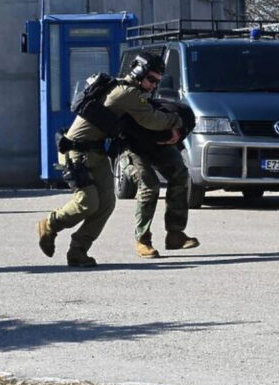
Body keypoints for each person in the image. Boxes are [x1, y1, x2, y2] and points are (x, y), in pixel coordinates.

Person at [36, 52, 184, 267]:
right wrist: (179, 120)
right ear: (139, 72)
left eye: (157, 82)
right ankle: (50, 224)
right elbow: (153, 121)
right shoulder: (127, 93)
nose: (153, 86)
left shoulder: (129, 91)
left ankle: (78, 250)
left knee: (106, 204)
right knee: (88, 202)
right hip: (77, 153)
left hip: (96, 152)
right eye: (151, 79)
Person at [118, 98, 199, 259]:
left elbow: (187, 120)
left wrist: (177, 132)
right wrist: (164, 135)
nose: (153, 84)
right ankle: (143, 240)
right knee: (149, 186)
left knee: (181, 176)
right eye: (150, 80)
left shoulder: (176, 114)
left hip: (157, 143)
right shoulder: (134, 116)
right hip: (133, 148)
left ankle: (175, 235)